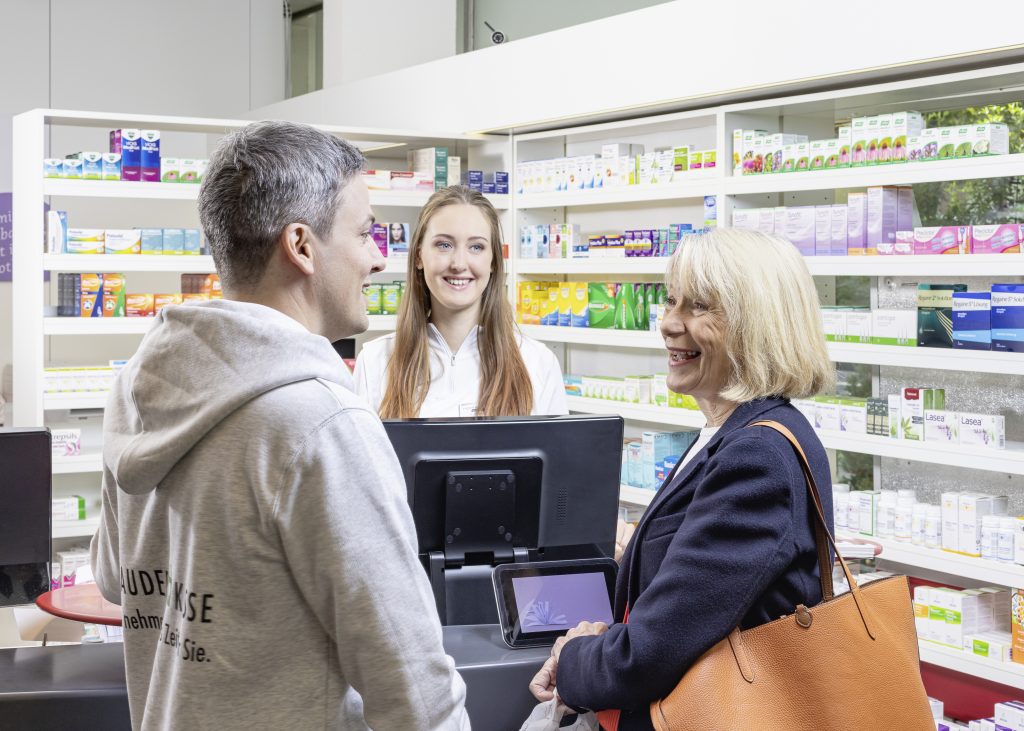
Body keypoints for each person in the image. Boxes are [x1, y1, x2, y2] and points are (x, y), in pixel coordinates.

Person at [90, 121, 470, 731]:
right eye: (365, 232)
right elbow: (413, 688)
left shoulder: (138, 385)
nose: (377, 257)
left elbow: (116, 578)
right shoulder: (321, 421)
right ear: (301, 245)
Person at [529, 228, 835, 730]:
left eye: (699, 307)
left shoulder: (758, 455)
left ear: (755, 324)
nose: (669, 324)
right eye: (671, 302)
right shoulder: (727, 433)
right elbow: (687, 608)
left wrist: (574, 659)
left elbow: (652, 652)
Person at [355, 185, 567, 418]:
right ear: (418, 256)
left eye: (476, 247)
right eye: (444, 245)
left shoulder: (537, 362)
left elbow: (562, 454)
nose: (458, 263)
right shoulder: (375, 361)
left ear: (493, 261)